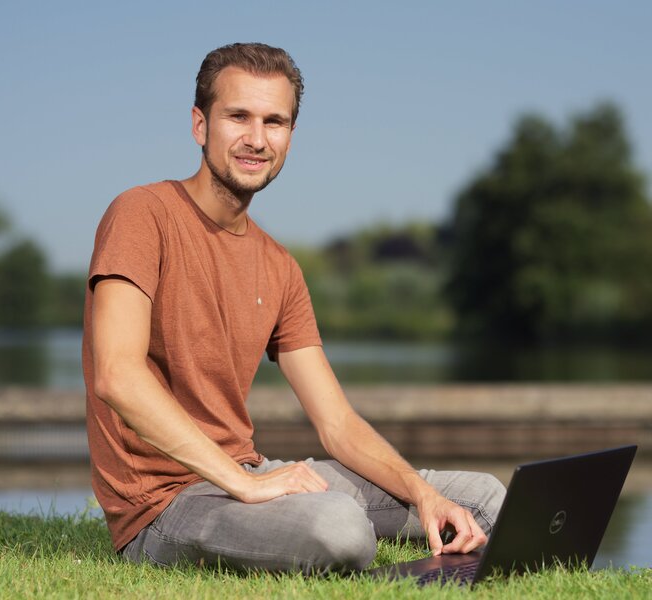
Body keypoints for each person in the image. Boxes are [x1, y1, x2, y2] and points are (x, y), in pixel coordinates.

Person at [82, 42, 506, 575]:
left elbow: (337, 422)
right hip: (165, 504)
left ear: (290, 136)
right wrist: (242, 483)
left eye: (274, 122)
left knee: (483, 498)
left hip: (246, 472)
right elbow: (118, 376)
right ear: (199, 124)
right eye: (238, 116)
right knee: (339, 527)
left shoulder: (278, 265)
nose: (257, 139)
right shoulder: (142, 214)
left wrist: (423, 495)